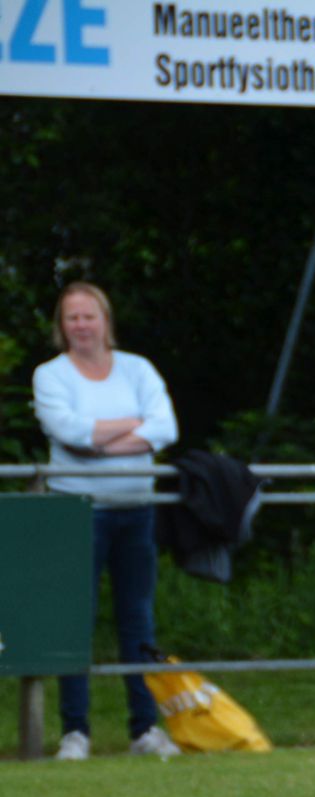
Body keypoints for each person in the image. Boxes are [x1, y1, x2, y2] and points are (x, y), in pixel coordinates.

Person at [31, 281, 181, 761]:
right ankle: (75, 732)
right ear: (62, 326)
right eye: (72, 317)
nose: (81, 325)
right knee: (75, 620)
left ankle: (144, 730)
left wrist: (98, 442)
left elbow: (166, 427)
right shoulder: (50, 375)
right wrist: (133, 425)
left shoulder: (138, 369)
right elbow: (68, 432)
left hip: (137, 511)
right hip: (76, 511)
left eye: (88, 316)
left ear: (105, 321)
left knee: (139, 619)